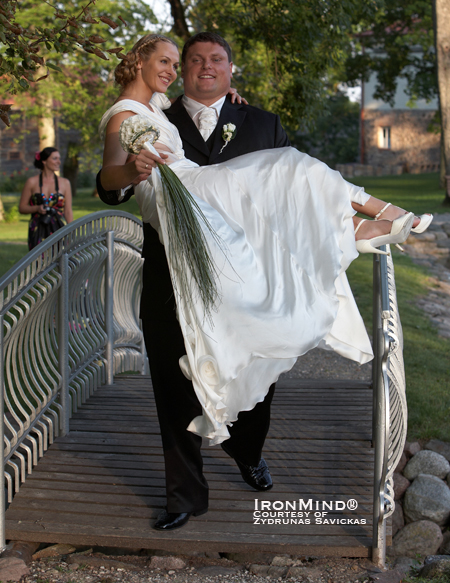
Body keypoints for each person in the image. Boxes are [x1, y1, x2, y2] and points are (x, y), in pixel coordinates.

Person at [97, 33, 432, 531]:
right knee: (173, 379)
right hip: (174, 266)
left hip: (246, 269)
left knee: (259, 355)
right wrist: (133, 167)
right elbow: (109, 183)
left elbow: (284, 205)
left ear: (232, 71)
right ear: (151, 63)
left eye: (213, 61)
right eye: (181, 61)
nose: (192, 69)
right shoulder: (141, 114)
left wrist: (230, 104)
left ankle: (247, 451)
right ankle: (184, 495)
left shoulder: (249, 119)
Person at [19, 147, 73, 249]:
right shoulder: (31, 182)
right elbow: (22, 208)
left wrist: (71, 231)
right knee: (38, 261)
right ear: (44, 161)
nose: (59, 162)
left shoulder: (65, 183)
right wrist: (37, 208)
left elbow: (68, 211)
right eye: (55, 158)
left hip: (60, 228)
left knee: (62, 260)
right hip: (37, 229)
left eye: (59, 158)